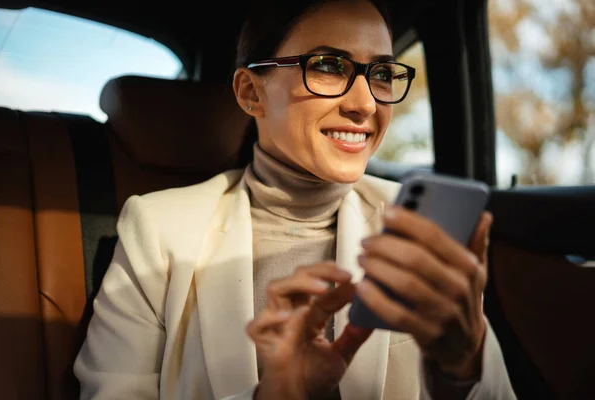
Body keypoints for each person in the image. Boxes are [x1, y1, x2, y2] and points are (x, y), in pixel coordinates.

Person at [74, 0, 517, 399]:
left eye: (382, 74)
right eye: (328, 65)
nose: (365, 104)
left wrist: (464, 368)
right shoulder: (157, 229)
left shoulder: (419, 224)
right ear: (251, 93)